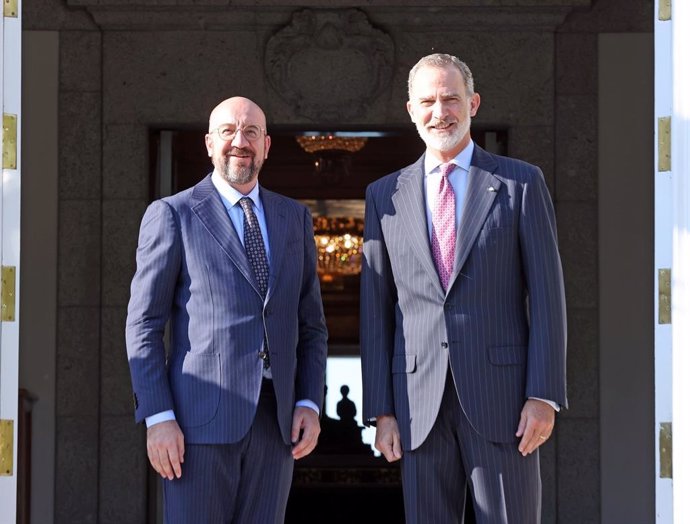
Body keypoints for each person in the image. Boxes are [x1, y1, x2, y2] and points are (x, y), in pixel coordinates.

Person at [360, 53, 567, 523]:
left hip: (504, 401)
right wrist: (381, 410)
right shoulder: (383, 195)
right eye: (428, 101)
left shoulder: (520, 183)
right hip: (417, 405)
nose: (440, 112)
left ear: (473, 103)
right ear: (410, 110)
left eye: (450, 99)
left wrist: (544, 393)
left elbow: (549, 296)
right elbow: (377, 309)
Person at [125, 96, 328, 523]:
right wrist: (158, 416)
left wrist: (309, 401)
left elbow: (311, 325)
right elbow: (144, 325)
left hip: (277, 423)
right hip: (196, 425)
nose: (241, 141)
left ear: (267, 145)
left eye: (252, 132)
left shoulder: (294, 218)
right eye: (229, 132)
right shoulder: (173, 215)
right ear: (209, 143)